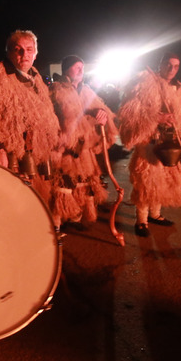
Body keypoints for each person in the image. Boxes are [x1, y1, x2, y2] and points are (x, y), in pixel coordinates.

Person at [0, 30, 61, 220]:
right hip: (11, 155)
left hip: (35, 153)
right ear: (8, 52)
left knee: (36, 206)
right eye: (18, 50)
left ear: (35, 53)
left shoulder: (36, 78)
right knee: (12, 208)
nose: (24, 55)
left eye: (29, 49)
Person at [117, 51, 181, 236]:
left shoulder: (180, 88)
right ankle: (142, 221)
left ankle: (155, 214)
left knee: (164, 179)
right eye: (168, 65)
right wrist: (156, 118)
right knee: (145, 181)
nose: (172, 69)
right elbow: (129, 113)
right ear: (160, 64)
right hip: (149, 141)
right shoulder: (143, 83)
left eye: (176, 66)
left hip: (169, 142)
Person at [48, 55, 117, 230]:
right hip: (63, 149)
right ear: (66, 69)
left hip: (84, 150)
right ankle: (56, 224)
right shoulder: (55, 90)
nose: (81, 70)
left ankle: (75, 217)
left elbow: (100, 110)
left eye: (82, 67)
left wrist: (100, 114)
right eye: (76, 67)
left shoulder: (86, 91)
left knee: (81, 184)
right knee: (62, 186)